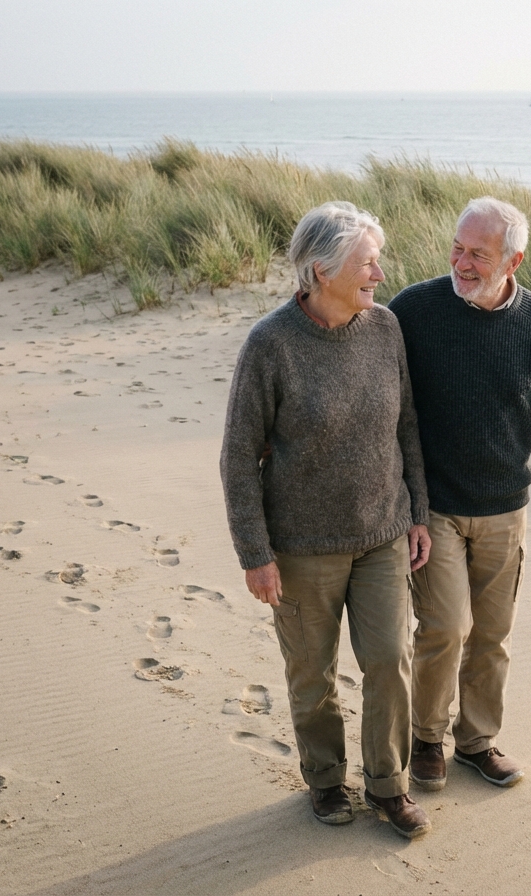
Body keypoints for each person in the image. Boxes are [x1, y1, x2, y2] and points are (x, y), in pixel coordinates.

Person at [219, 202, 434, 839]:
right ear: (321, 269)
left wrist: (418, 512)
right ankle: (325, 779)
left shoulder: (386, 328)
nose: (379, 273)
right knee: (312, 674)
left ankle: (389, 785)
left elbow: (407, 427)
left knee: (390, 660)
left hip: (382, 534)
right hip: (300, 547)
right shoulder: (271, 344)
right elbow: (237, 457)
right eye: (368, 263)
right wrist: (255, 553)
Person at [389, 196, 531, 791]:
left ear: (513, 260)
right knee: (445, 627)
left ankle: (476, 742)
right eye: (457, 248)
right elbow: (382, 398)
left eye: (478, 253)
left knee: (493, 635)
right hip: (434, 508)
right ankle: (427, 738)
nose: (462, 262)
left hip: (505, 508)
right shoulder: (414, 309)